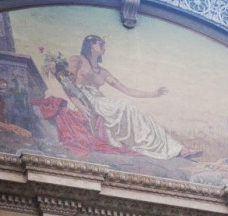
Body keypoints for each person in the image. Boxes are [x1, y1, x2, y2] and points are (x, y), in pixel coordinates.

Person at [67, 35, 198, 160]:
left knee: (141, 113)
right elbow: (67, 85)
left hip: (100, 101)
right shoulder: (77, 60)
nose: (104, 48)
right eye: (101, 44)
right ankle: (163, 147)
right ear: (90, 45)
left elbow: (126, 90)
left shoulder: (102, 71)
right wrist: (80, 106)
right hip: (86, 101)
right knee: (127, 106)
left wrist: (153, 94)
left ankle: (175, 148)